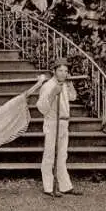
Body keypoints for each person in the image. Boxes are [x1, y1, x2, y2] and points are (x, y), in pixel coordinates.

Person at [36, 58, 83, 197]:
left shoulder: (64, 84)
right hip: (52, 123)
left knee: (62, 156)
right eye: (60, 70)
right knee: (50, 155)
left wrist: (70, 84)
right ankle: (49, 187)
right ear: (54, 71)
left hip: (64, 123)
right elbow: (41, 107)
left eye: (66, 71)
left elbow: (73, 97)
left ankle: (65, 186)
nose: (63, 73)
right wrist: (52, 94)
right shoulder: (48, 85)